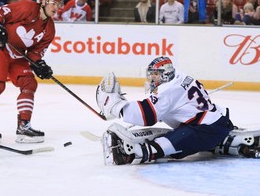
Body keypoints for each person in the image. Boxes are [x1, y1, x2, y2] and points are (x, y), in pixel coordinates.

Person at [96, 56, 260, 165]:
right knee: (184, 134)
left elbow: (145, 115)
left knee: (164, 143)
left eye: (156, 74)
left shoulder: (168, 90)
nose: (153, 78)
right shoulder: (180, 76)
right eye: (152, 74)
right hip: (217, 121)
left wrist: (115, 106)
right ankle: (224, 142)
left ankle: (132, 153)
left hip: (204, 129)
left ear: (166, 74)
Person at [0, 0, 63, 144]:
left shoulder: (49, 29)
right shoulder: (27, 7)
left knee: (29, 82)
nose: (56, 8)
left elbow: (36, 52)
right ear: (43, 2)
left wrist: (39, 64)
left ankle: (23, 126)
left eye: (58, 4)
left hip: (17, 53)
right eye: (53, 3)